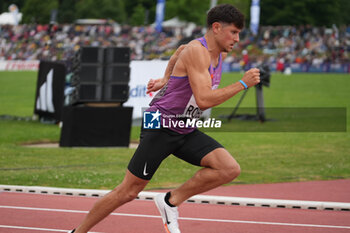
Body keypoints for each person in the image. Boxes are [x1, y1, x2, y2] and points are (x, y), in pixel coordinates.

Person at [69, 4, 260, 233]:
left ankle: (170, 201)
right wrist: (242, 84)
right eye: (234, 32)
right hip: (160, 124)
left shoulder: (215, 53)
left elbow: (178, 51)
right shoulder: (197, 51)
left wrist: (165, 79)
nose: (238, 39)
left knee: (228, 168)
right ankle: (77, 232)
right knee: (128, 191)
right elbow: (204, 100)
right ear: (217, 28)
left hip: (183, 127)